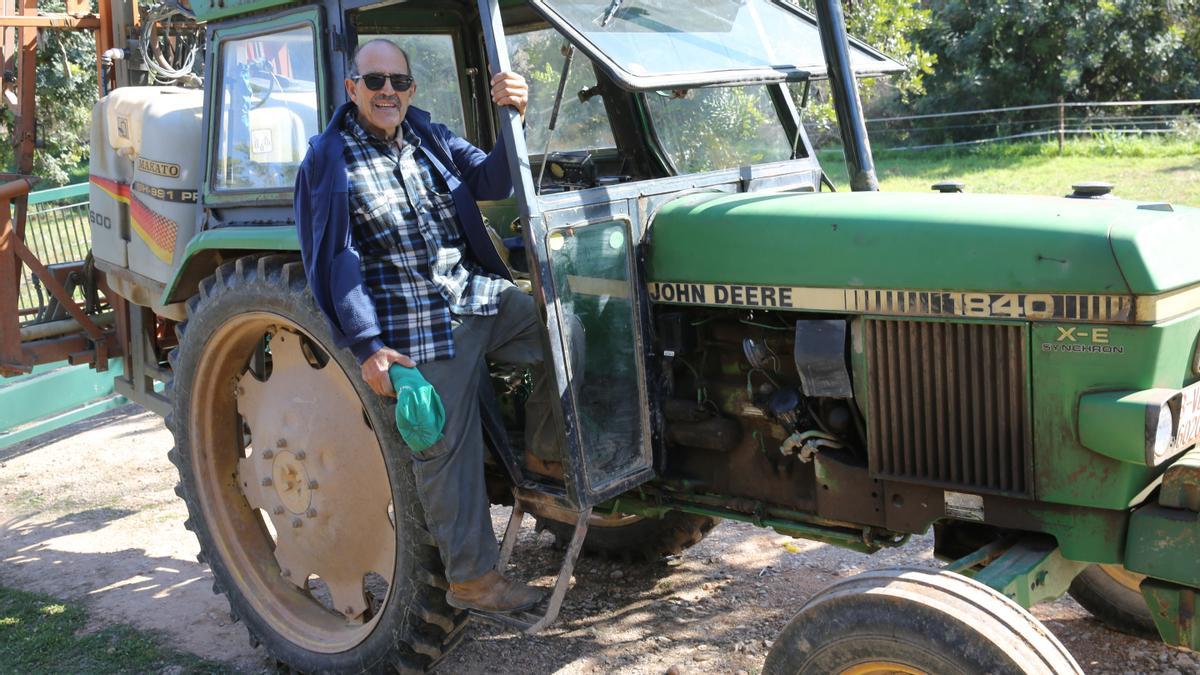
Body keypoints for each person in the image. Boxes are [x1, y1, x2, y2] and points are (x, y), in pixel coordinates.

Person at [294, 38, 545, 613]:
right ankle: (473, 580)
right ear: (352, 88)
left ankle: (549, 458)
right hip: (417, 325)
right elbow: (333, 263)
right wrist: (370, 347)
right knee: (441, 447)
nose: (388, 92)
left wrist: (513, 120)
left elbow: (493, 183)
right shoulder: (329, 160)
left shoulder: (429, 136)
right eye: (375, 81)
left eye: (399, 82)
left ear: (411, 89)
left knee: (570, 333)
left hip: (476, 296)